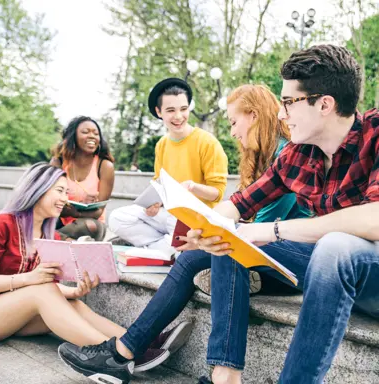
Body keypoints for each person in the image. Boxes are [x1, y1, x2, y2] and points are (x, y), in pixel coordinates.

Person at [56, 84, 312, 383]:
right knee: (192, 258)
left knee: (227, 244)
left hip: (302, 256)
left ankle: (224, 376)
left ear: (253, 116)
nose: (231, 132)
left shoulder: (288, 154)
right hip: (268, 249)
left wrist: (210, 229)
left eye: (232, 122)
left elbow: (257, 223)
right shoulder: (263, 156)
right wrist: (202, 232)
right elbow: (242, 204)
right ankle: (124, 351)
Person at [188, 45, 379, 384]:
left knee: (335, 246)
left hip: (370, 272)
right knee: (232, 238)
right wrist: (207, 225)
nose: (280, 114)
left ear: (324, 104)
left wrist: (272, 230)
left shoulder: (375, 134)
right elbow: (239, 203)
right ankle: (225, 375)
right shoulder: (297, 154)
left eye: (289, 102)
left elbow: (374, 220)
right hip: (326, 269)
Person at [0, 162, 177, 383]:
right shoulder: (2, 223)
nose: (65, 199)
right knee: (41, 291)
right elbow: (35, 286)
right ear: (38, 189)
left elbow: (43, 287)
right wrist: (28, 278)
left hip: (11, 316)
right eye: (59, 191)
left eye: (67, 192)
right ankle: (114, 357)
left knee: (75, 305)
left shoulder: (49, 235)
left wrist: (72, 292)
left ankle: (139, 343)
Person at [108, 78, 228, 256]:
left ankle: (160, 248)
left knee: (178, 246)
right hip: (168, 214)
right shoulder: (162, 144)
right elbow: (159, 183)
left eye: (184, 109)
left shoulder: (207, 142)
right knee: (116, 218)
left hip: (193, 219)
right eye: (171, 110)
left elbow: (217, 193)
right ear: (159, 112)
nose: (178, 116)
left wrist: (193, 187)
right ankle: (162, 248)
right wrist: (154, 204)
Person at [51, 116, 115, 241]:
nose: (92, 136)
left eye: (96, 134)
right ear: (73, 137)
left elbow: (98, 212)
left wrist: (77, 213)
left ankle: (52, 238)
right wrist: (71, 208)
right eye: (85, 132)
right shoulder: (58, 162)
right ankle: (64, 239)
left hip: (90, 223)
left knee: (89, 226)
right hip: (58, 220)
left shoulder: (105, 166)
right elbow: (49, 203)